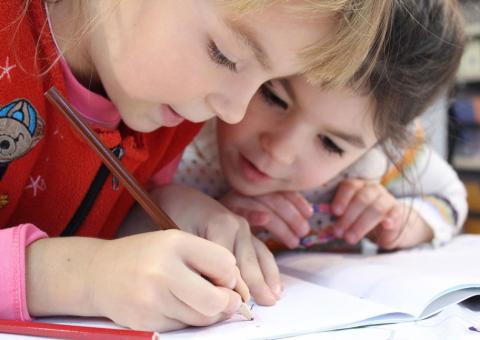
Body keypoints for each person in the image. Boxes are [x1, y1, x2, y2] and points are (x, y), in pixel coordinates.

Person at [0, 0, 393, 332]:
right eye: (225, 55)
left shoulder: (168, 114)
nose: (235, 112)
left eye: (266, 83)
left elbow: (81, 220)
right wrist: (84, 278)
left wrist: (157, 211)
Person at [173, 0, 467, 253]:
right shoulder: (181, 121)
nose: (280, 151)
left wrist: (406, 221)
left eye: (331, 144)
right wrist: (197, 215)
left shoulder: (381, 162)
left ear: (381, 143)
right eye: (273, 98)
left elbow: (451, 197)